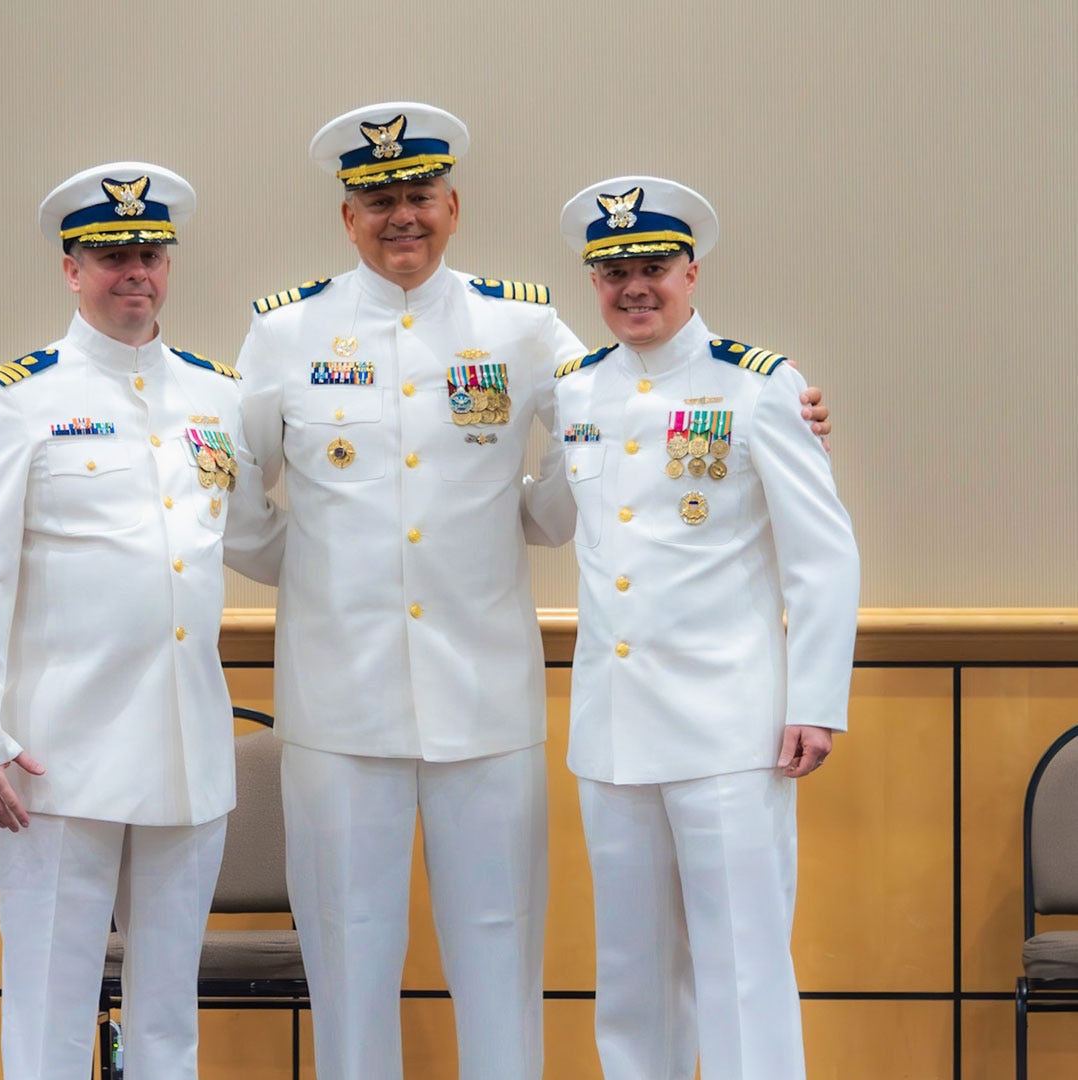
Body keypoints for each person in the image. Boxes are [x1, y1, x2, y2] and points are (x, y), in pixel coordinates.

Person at [235, 106, 831, 1079]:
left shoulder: (522, 327)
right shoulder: (283, 331)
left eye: (419, 197)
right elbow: (226, 493)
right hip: (337, 701)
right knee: (345, 961)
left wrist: (786, 408)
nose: (403, 218)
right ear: (347, 217)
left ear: (454, 205)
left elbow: (629, 409)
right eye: (379, 200)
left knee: (500, 954)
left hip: (487, 698)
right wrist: (305, 569)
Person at [0, 162, 282, 1080]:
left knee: (167, 1013)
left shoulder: (212, 395)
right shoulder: (15, 400)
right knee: (50, 1001)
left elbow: (262, 542)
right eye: (114, 253)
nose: (138, 271)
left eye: (151, 252)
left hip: (185, 749)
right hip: (58, 756)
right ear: (71, 268)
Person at [544, 176, 861, 1079]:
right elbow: (545, 513)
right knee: (633, 978)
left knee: (742, 970)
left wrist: (816, 702)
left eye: (651, 267)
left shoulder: (761, 388)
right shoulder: (577, 392)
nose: (631, 288)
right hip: (613, 733)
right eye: (611, 273)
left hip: (732, 728)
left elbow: (823, 556)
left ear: (691, 270)